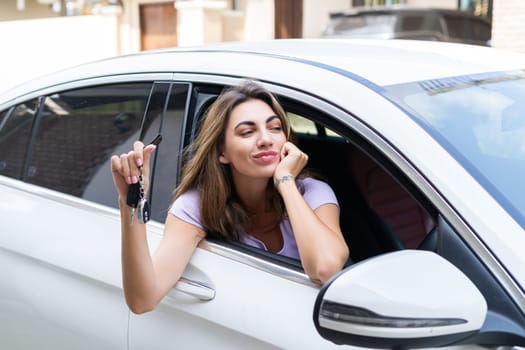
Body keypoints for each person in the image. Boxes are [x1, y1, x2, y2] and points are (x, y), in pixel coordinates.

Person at [111, 80, 349, 314]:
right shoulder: (198, 205)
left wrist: (285, 181)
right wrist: (129, 202)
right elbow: (143, 300)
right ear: (222, 152)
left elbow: (326, 267)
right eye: (247, 132)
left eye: (275, 128)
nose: (266, 139)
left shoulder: (311, 191)